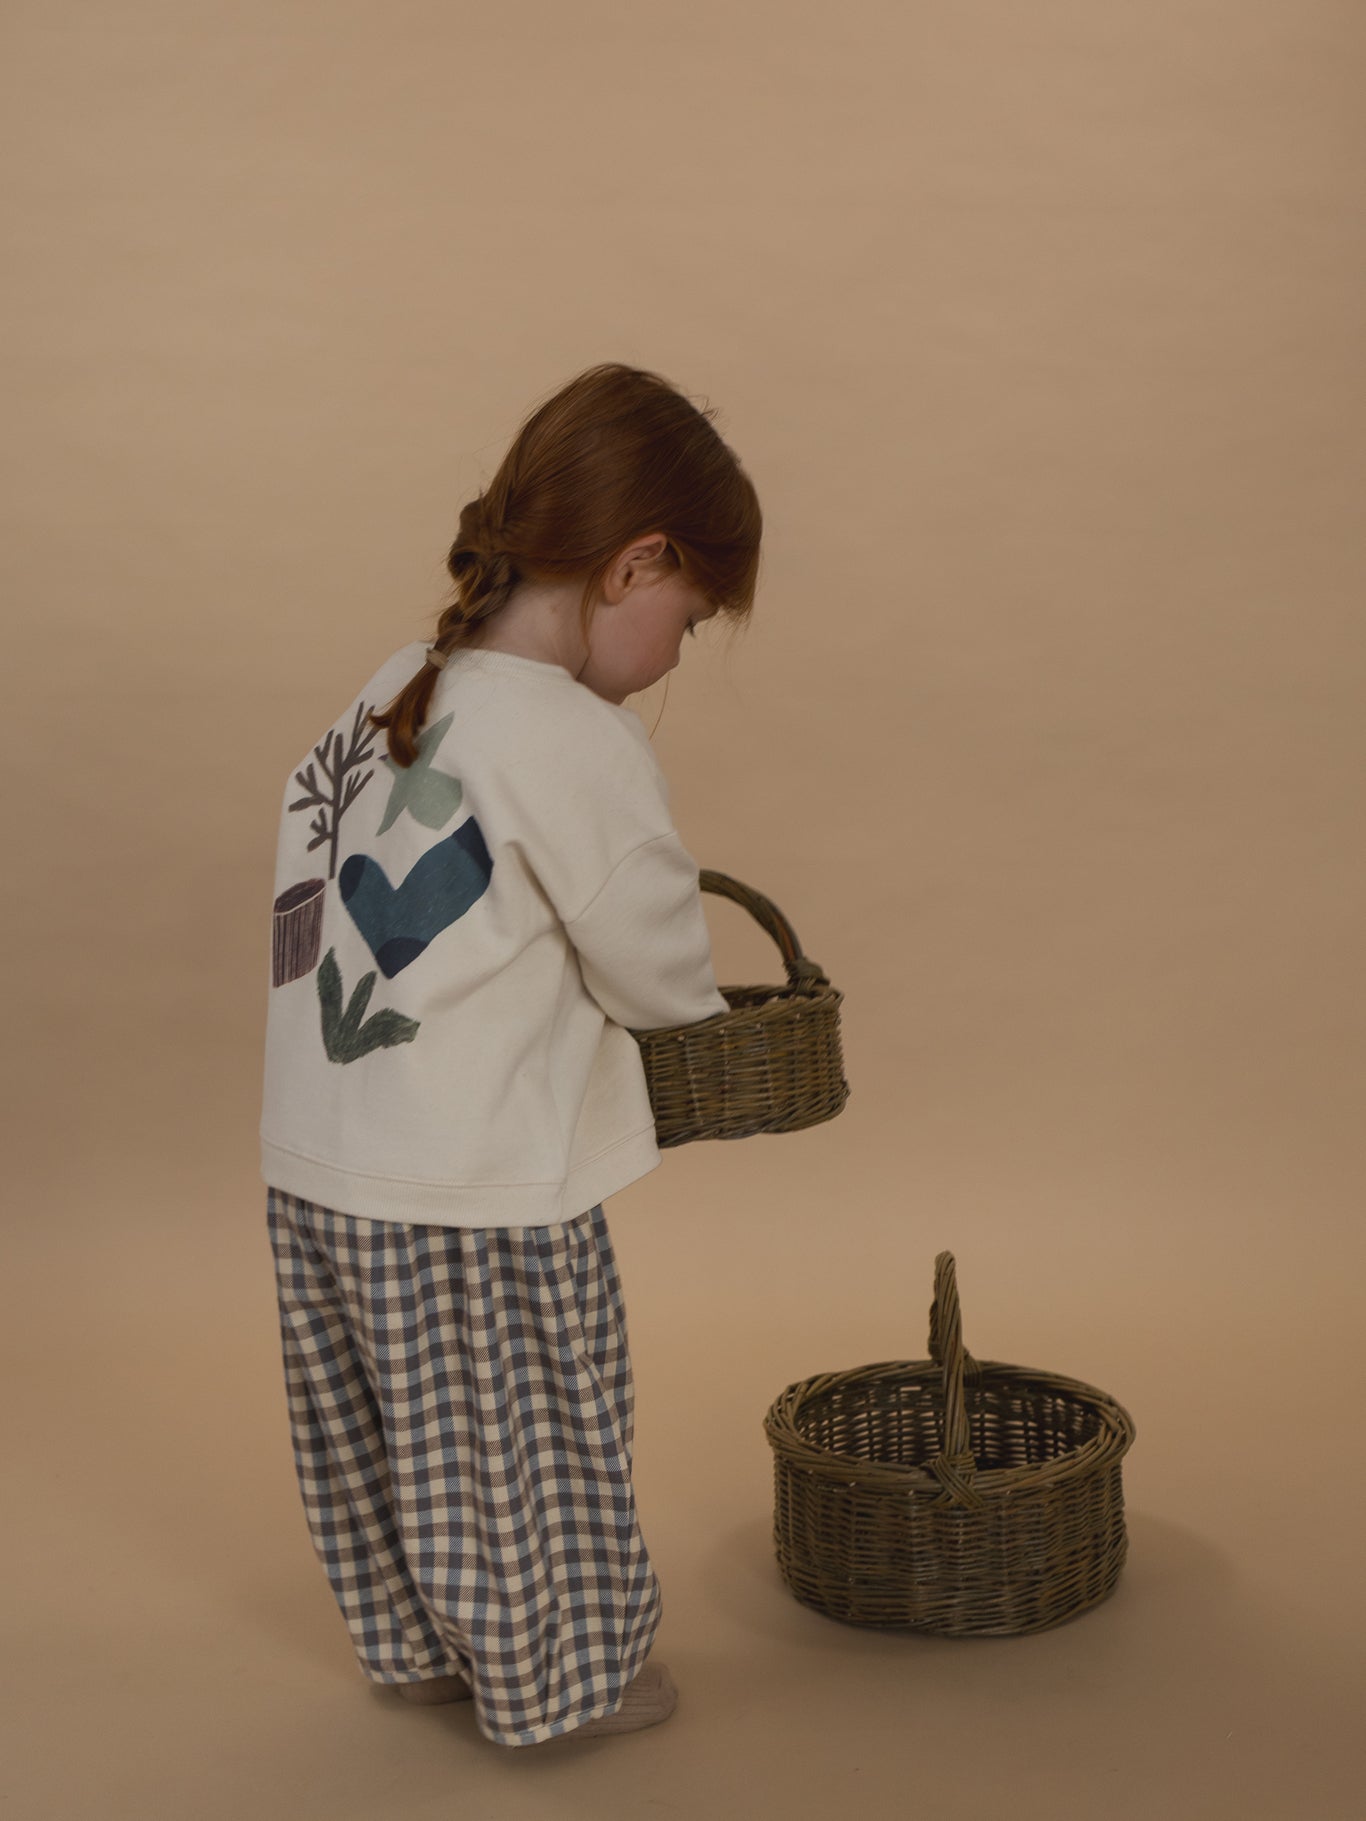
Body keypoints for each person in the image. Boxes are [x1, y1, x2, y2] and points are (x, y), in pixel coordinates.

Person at [260, 362, 761, 1747]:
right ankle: (561, 1682)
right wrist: (699, 1018)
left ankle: (420, 1647)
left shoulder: (397, 683)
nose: (675, 647)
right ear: (634, 562)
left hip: (316, 1163)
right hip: (464, 1177)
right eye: (689, 614)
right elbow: (657, 961)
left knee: (381, 1437)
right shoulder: (568, 733)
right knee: (523, 1443)